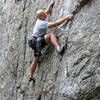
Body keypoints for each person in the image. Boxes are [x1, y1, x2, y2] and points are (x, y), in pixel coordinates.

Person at [28, 1, 74, 81]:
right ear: (40, 17)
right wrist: (66, 17)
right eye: (43, 14)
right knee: (51, 35)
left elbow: (46, 12)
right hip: (37, 42)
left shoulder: (39, 18)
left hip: (34, 42)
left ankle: (31, 76)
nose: (45, 14)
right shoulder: (41, 23)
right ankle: (59, 49)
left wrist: (50, 5)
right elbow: (54, 24)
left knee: (36, 59)